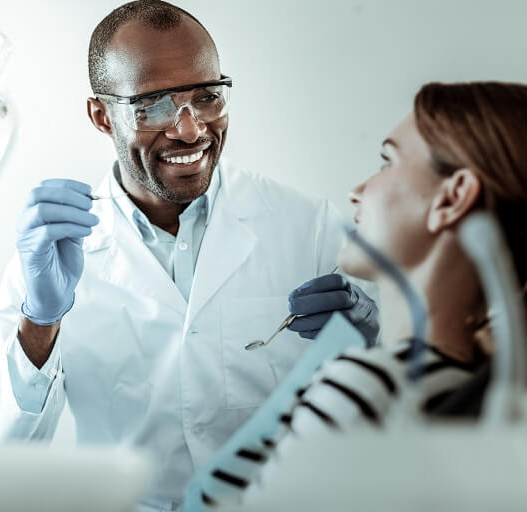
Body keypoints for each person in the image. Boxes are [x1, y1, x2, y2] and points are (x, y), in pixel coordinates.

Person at [0, 1, 378, 508]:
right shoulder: (54, 253)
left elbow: (377, 414)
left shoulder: (307, 226)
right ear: (100, 115)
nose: (189, 129)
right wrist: (40, 321)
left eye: (206, 97)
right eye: (152, 104)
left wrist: (366, 341)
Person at [189, 81, 527, 509]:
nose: (358, 190)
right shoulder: (473, 380)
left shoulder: (367, 386)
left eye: (387, 162)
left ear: (452, 198)